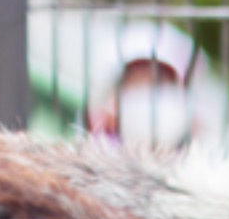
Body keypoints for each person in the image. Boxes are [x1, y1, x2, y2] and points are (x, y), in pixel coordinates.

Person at [85, 23, 209, 153]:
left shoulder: (197, 155)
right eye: (136, 84)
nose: (146, 97)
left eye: (158, 85)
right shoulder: (97, 146)